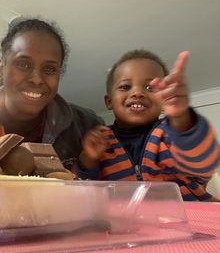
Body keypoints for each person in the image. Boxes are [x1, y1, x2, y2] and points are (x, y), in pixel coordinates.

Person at [0, 18, 104, 170]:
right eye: (23, 64)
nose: (37, 79)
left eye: (49, 69)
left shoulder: (85, 126)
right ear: (1, 68)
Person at [77, 49, 220, 201]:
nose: (138, 93)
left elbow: (204, 163)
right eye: (125, 87)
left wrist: (181, 118)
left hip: (190, 219)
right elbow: (82, 189)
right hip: (126, 223)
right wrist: (88, 158)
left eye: (150, 87)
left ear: (164, 100)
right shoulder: (103, 141)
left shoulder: (170, 132)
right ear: (109, 101)